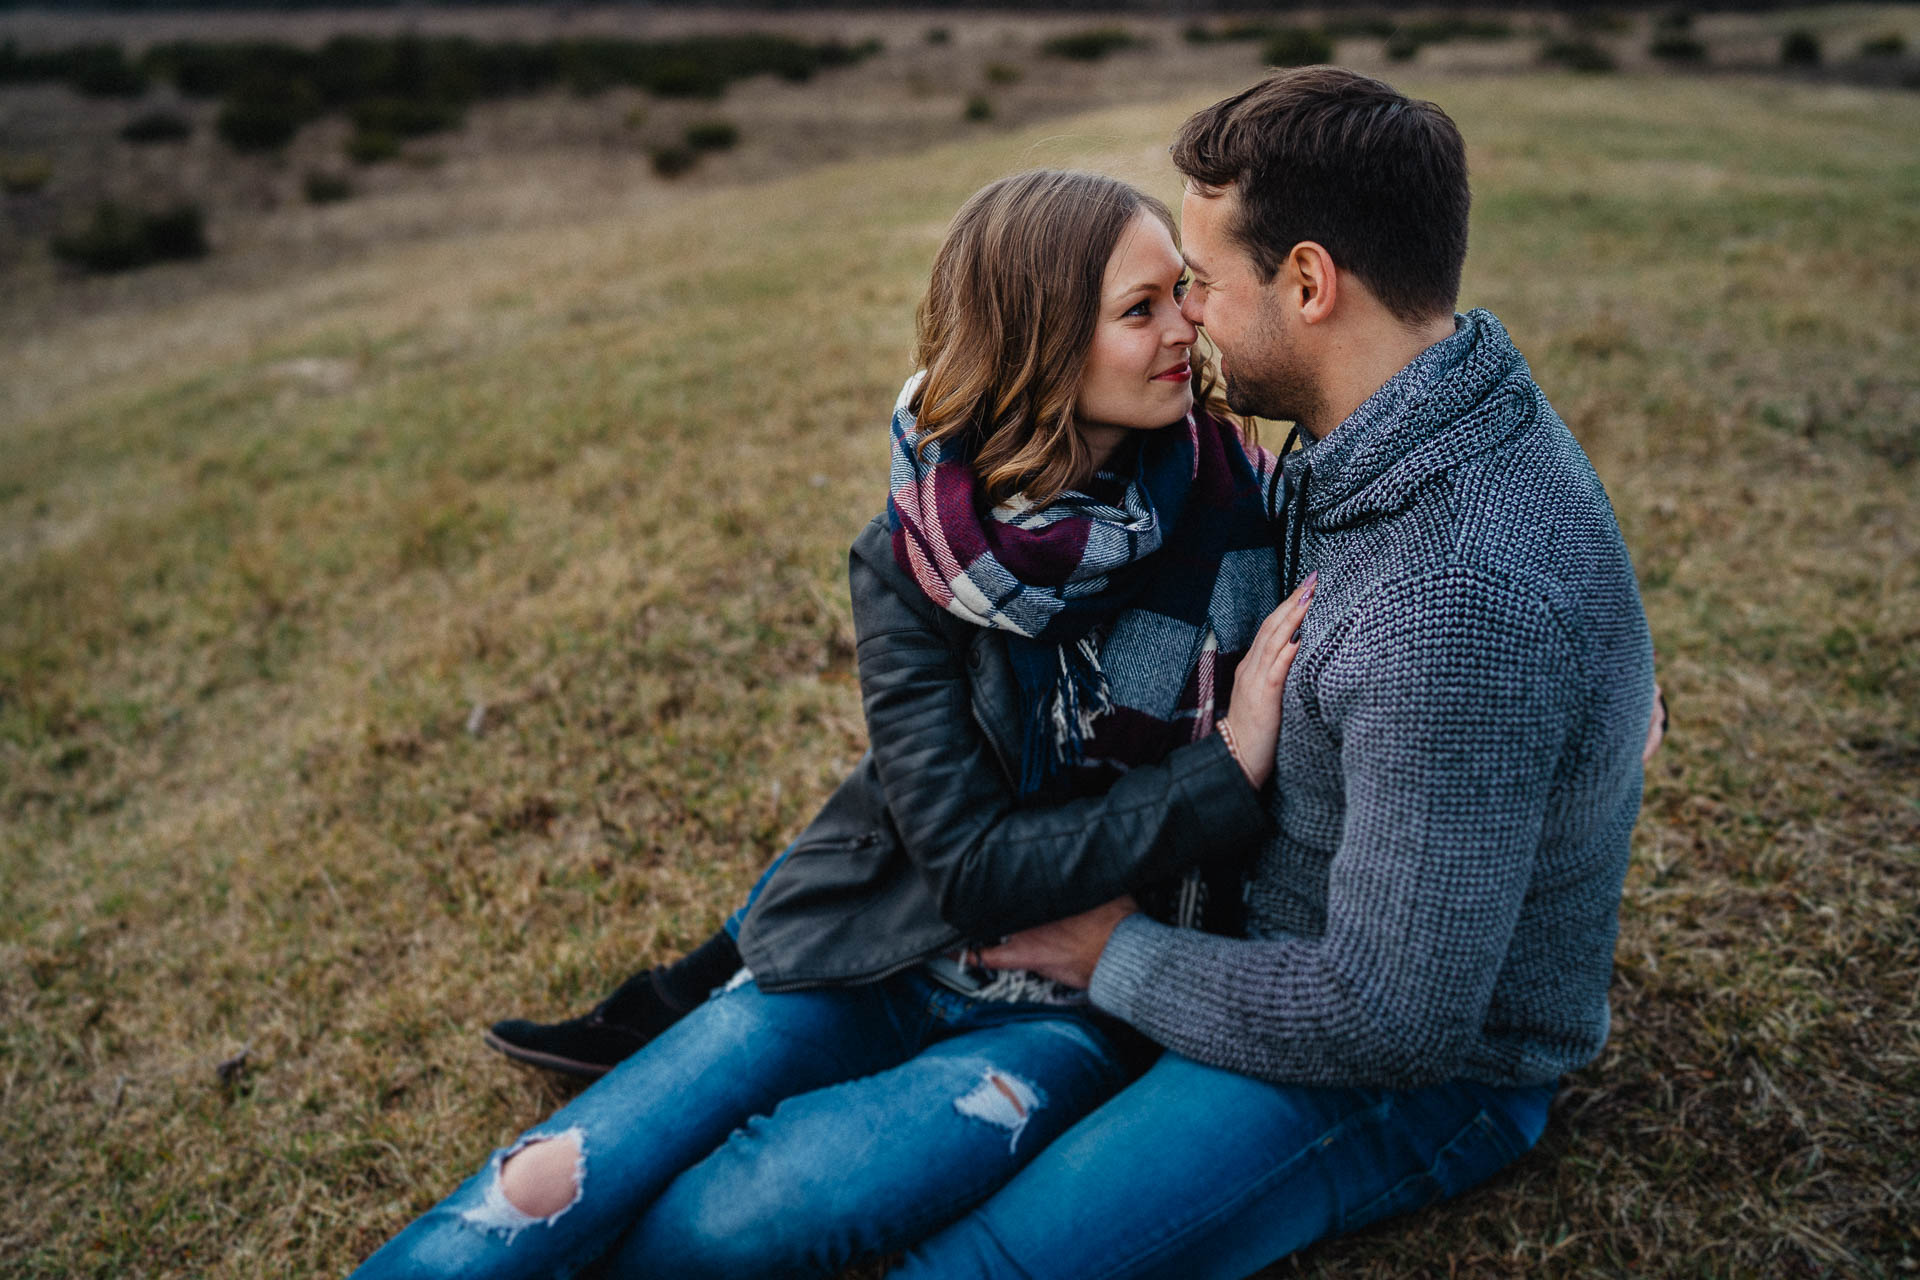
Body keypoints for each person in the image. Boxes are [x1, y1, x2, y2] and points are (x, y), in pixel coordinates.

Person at [350, 168, 1312, 1279]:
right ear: (1043, 343)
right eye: (1141, 309)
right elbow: (970, 868)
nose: (1187, 325)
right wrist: (1221, 768)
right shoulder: (917, 556)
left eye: (1180, 291)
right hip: (885, 945)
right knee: (540, 1187)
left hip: (1083, 1007)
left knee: (741, 1219)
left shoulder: (1250, 503)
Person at [885, 66, 1660, 1279]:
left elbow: (1392, 1018)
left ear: (1308, 282)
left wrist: (1114, 954)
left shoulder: (1456, 608)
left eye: (1200, 280)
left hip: (1394, 1064)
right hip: (1248, 935)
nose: (1186, 314)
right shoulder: (1420, 412)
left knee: (981, 1265)